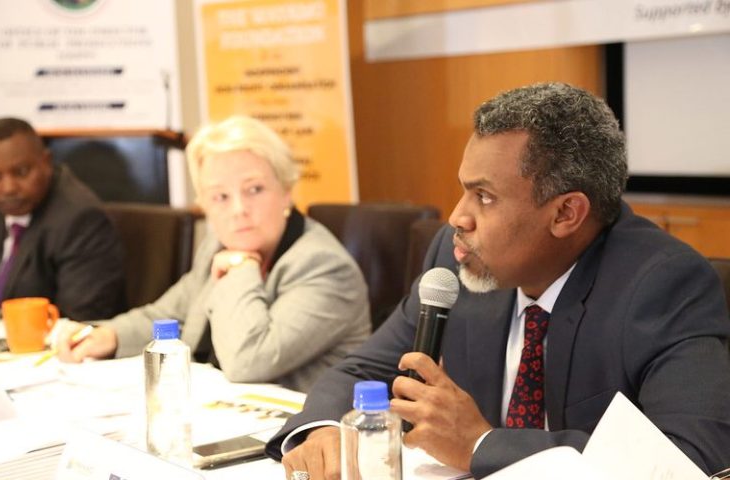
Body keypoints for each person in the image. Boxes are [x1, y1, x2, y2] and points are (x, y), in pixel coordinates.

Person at [268, 83, 730, 478]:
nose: (457, 217)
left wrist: (482, 444)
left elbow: (692, 459)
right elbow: (361, 371)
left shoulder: (664, 284)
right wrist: (324, 429)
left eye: (484, 196)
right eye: (463, 189)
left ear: (566, 213)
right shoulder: (456, 261)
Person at [57, 115, 371, 393]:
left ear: (286, 192)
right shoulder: (216, 246)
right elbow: (168, 316)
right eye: (220, 196)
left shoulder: (323, 266)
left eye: (254, 189)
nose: (238, 210)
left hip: (298, 432)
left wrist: (241, 268)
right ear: (204, 205)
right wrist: (108, 336)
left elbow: (248, 360)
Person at [0, 117, 126, 320]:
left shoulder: (81, 218)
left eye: (21, 172)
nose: (8, 188)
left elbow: (79, 319)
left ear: (46, 162)